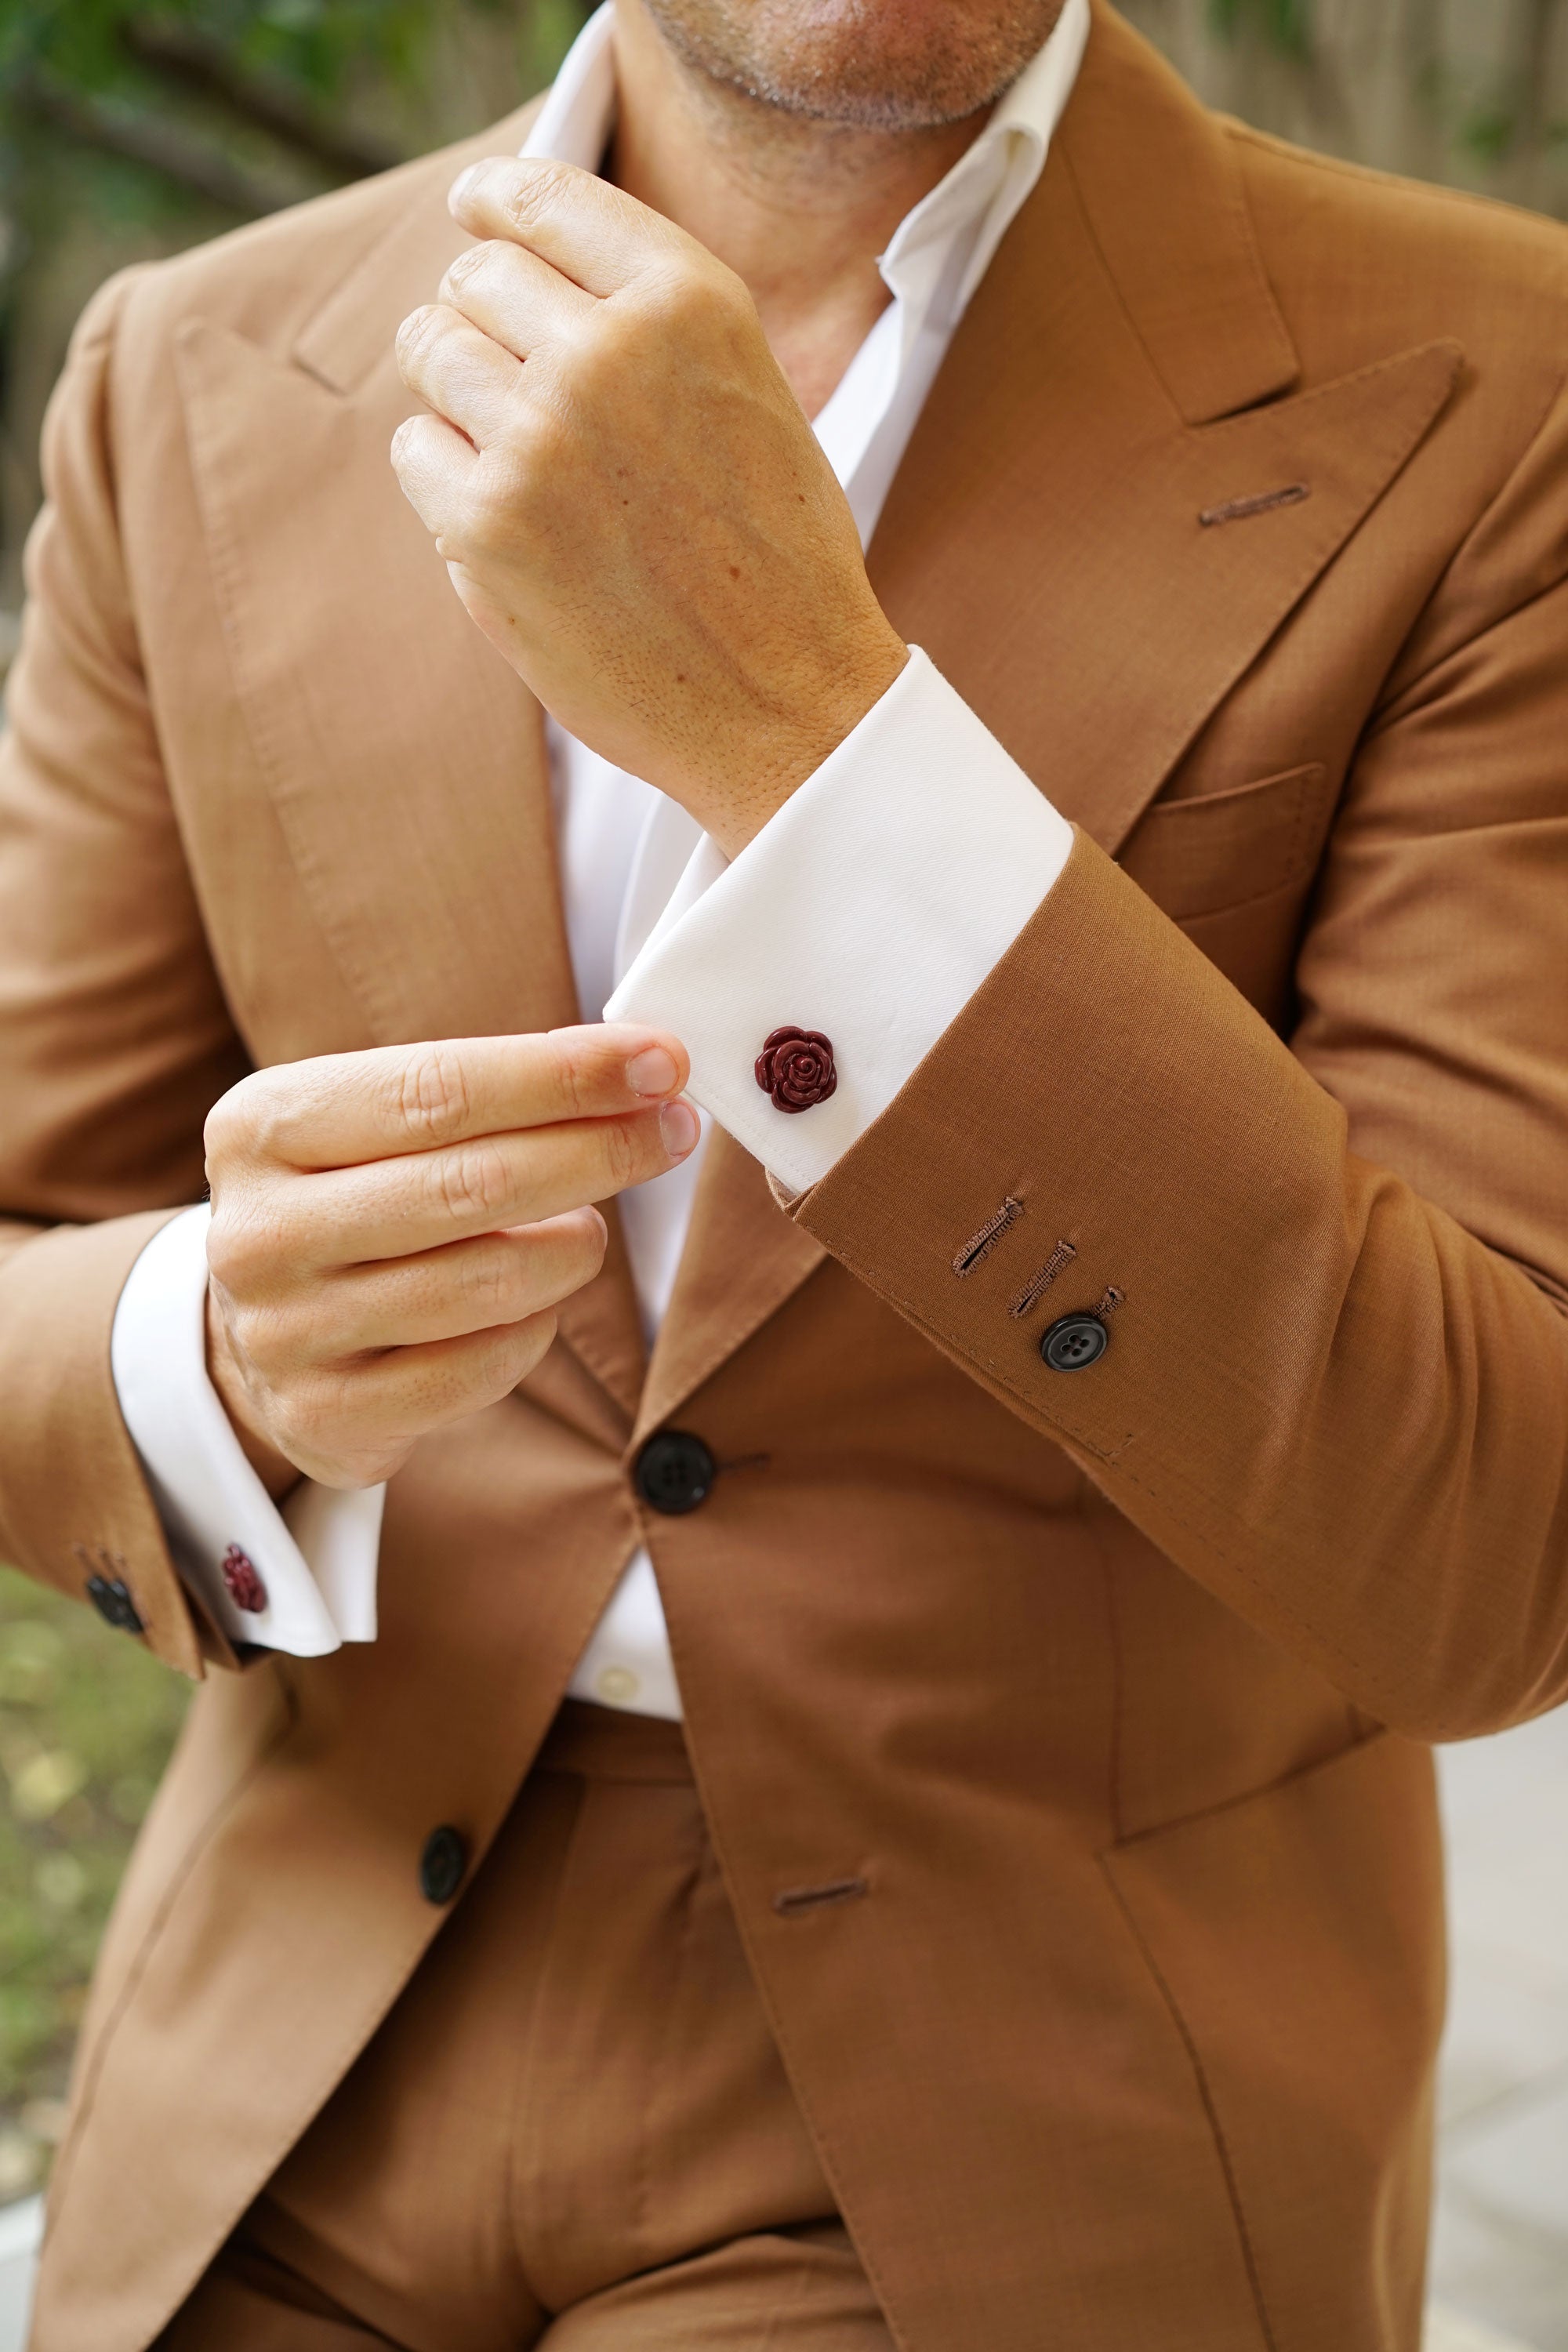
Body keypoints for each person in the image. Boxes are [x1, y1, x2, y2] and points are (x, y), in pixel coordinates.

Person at [2, 0, 1566, 2339]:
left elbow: (1499, 1537)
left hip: (1026, 2085)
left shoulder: (1500, 384)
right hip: (288, 2032)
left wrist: (813, 737)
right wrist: (206, 1351)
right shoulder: (187, 373)